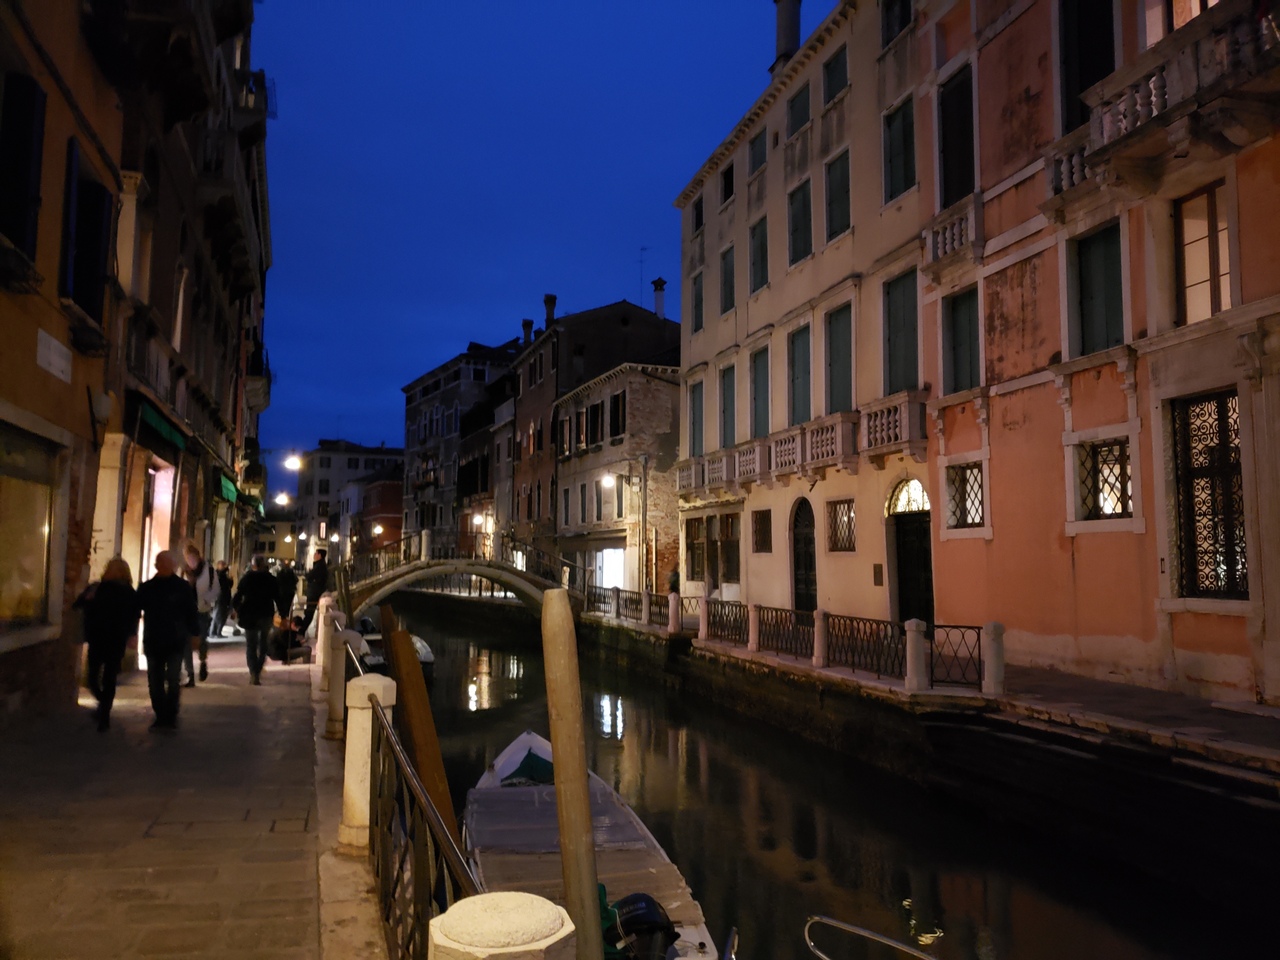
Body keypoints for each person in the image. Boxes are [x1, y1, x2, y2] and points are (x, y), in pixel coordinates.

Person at [75, 557, 141, 731]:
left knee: (98, 676)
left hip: (104, 636)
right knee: (104, 677)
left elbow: (77, 605)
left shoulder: (105, 589)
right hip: (109, 637)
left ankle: (103, 711)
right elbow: (134, 616)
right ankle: (104, 709)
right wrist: (132, 635)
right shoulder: (118, 590)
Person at [137, 550, 200, 730]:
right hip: (154, 640)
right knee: (155, 681)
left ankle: (170, 715)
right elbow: (135, 610)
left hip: (175, 640)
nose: (164, 567)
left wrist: (195, 634)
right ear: (157, 565)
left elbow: (191, 613)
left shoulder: (182, 588)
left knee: (172, 679)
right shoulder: (147, 588)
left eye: (166, 563)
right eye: (161, 563)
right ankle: (160, 714)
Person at [233, 554, 278, 685]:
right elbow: (278, 597)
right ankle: (258, 668)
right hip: (265, 614)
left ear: (253, 565)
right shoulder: (270, 579)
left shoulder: (247, 578)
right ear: (263, 565)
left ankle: (254, 672)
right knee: (263, 643)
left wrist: (237, 609)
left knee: (251, 645)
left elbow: (237, 597)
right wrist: (284, 614)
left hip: (250, 615)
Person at [182, 543, 220, 684]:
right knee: (186, 642)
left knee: (201, 640)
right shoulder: (183, 571)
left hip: (202, 611)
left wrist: (206, 600)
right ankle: (190, 674)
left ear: (198, 556)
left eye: (192, 557)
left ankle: (203, 661)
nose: (190, 561)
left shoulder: (209, 571)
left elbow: (216, 589)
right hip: (186, 612)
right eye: (188, 558)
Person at [298, 549, 328, 637]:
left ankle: (301, 631)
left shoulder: (319, 566)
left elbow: (309, 576)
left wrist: (309, 575)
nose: (314, 555)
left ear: (320, 555)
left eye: (316, 553)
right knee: (308, 612)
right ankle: (301, 630)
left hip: (314, 592)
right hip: (314, 591)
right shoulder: (320, 565)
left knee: (309, 612)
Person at [210, 559, 236, 639]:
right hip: (220, 598)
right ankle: (216, 632)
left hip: (224, 597)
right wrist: (227, 569)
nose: (224, 566)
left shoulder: (223, 575)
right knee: (219, 615)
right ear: (218, 566)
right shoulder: (217, 574)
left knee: (221, 615)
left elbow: (228, 585)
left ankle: (216, 632)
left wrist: (231, 580)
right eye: (223, 565)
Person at [275, 558, 299, 622]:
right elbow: (296, 580)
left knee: (282, 606)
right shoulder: (291, 572)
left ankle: (283, 618)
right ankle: (287, 617)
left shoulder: (280, 573)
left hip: (282, 592)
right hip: (290, 591)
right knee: (288, 605)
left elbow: (277, 581)